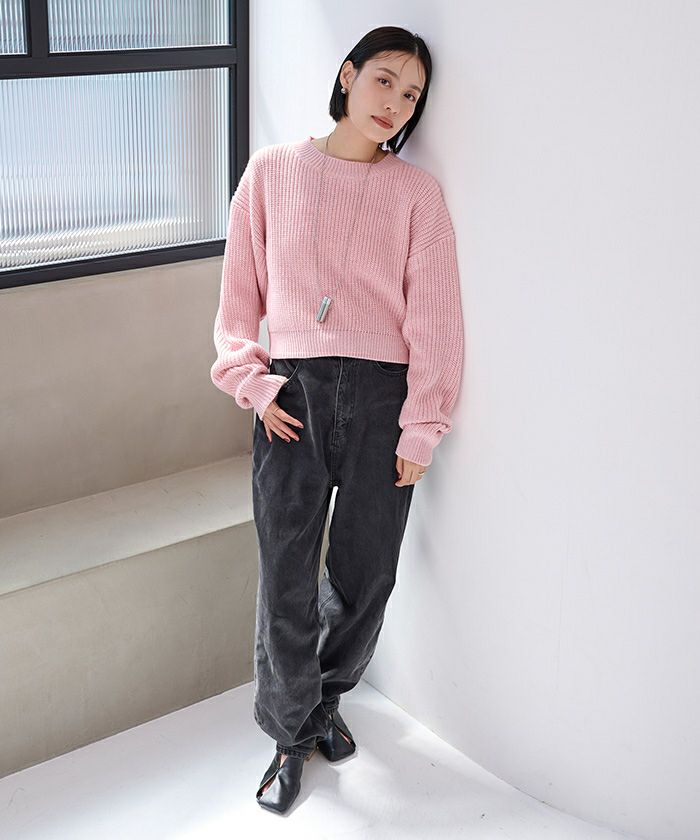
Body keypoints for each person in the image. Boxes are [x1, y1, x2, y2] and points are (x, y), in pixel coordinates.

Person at [210, 25, 464, 814]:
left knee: (366, 574)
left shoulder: (417, 194)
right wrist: (254, 384)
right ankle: (290, 734)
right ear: (348, 76)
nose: (396, 103)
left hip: (385, 400)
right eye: (384, 80)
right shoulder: (271, 172)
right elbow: (238, 301)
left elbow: (435, 318)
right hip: (293, 399)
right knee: (286, 575)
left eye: (412, 94)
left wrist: (422, 426)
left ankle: (323, 700)